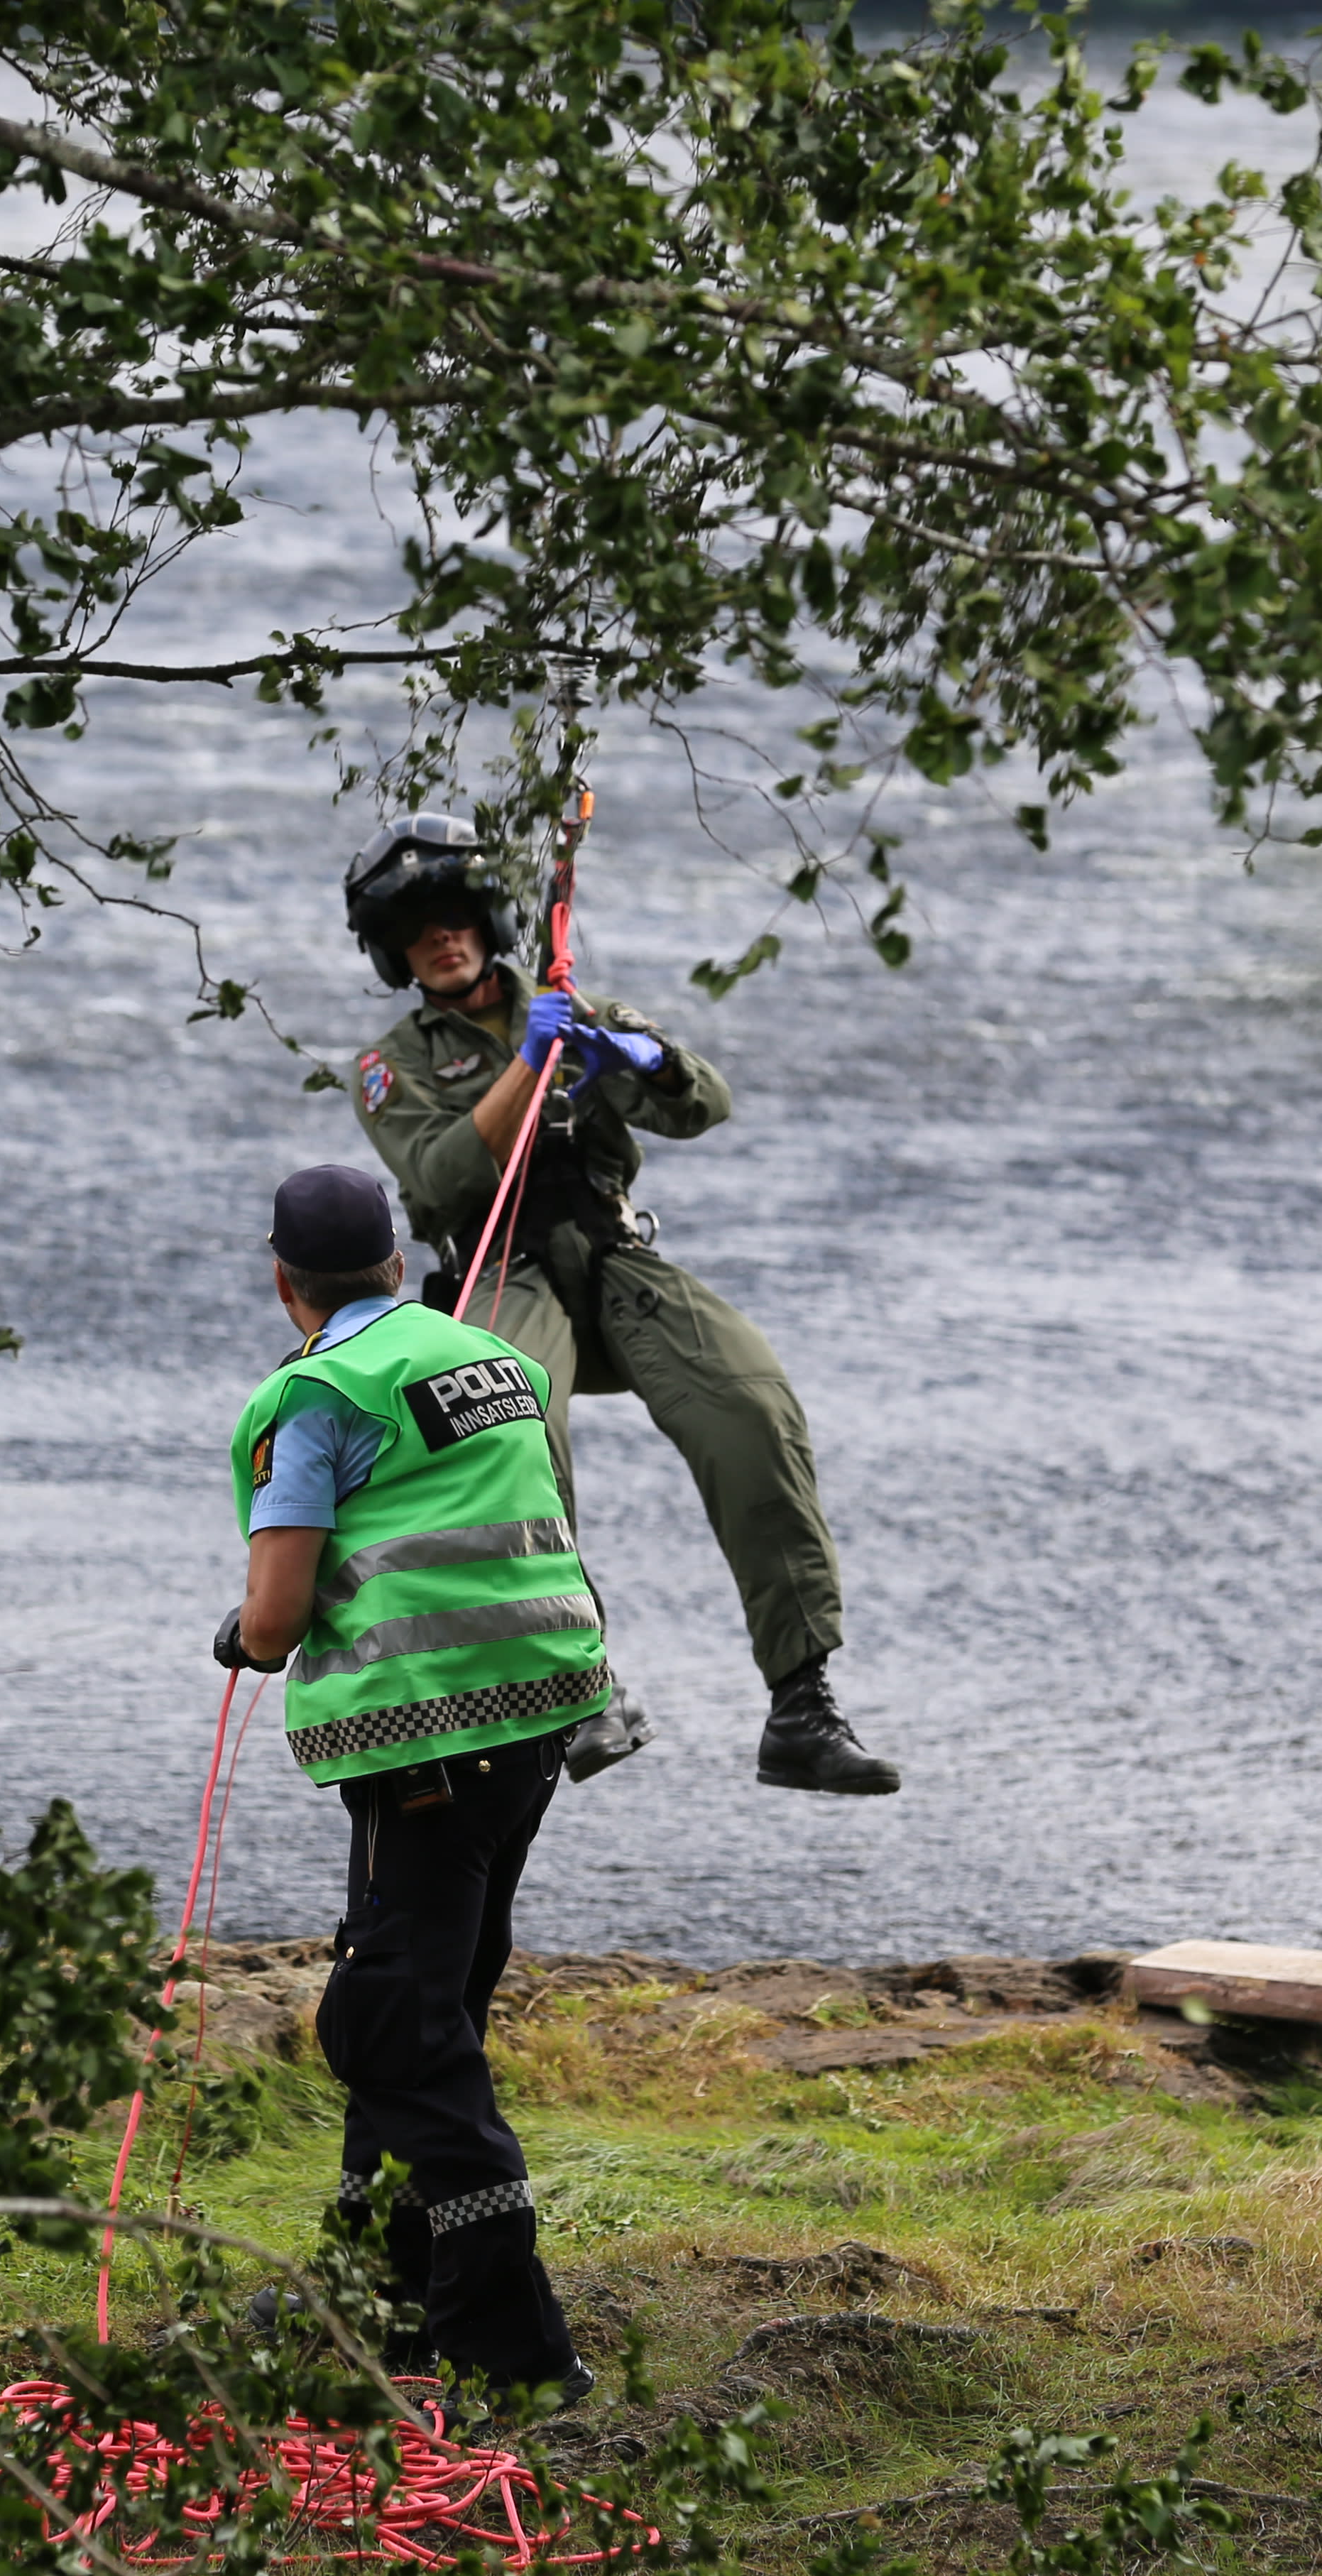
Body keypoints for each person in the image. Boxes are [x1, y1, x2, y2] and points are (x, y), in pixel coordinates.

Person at [337, 813, 900, 1796]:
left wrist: (639, 1060)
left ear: (489, 919)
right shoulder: (392, 1067)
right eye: (416, 929)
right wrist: (527, 1067)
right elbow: (440, 1175)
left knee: (750, 1405)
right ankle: (579, 1682)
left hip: (612, 1253)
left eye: (456, 915)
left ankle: (801, 1706)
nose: (442, 937)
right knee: (508, 1428)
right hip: (502, 1268)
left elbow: (705, 1104)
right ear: (394, 952)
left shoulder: (574, 1005)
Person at [216, 1163, 594, 2408]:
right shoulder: (499, 1361)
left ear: (286, 1282)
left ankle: (514, 2348)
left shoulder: (313, 1396)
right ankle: (381, 2296)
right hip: (534, 1728)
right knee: (432, 2005)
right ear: (394, 1264)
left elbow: (276, 1620)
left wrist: (242, 1636)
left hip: (421, 1748)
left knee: (390, 2029)